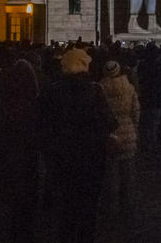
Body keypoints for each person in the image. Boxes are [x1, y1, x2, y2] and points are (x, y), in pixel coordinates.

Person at [40, 47, 117, 242]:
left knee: (66, 208)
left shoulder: (52, 91)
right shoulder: (94, 90)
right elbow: (110, 122)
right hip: (91, 158)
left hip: (62, 159)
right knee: (88, 209)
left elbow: (42, 124)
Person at [0, 59, 40, 242]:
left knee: (14, 197)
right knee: (27, 198)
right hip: (29, 161)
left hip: (10, 159)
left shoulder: (5, 105)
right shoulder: (35, 105)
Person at [99, 60, 140, 221]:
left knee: (111, 174)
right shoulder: (129, 88)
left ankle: (111, 207)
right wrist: (134, 128)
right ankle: (128, 206)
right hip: (127, 131)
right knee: (128, 173)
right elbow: (136, 111)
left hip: (110, 134)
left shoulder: (100, 89)